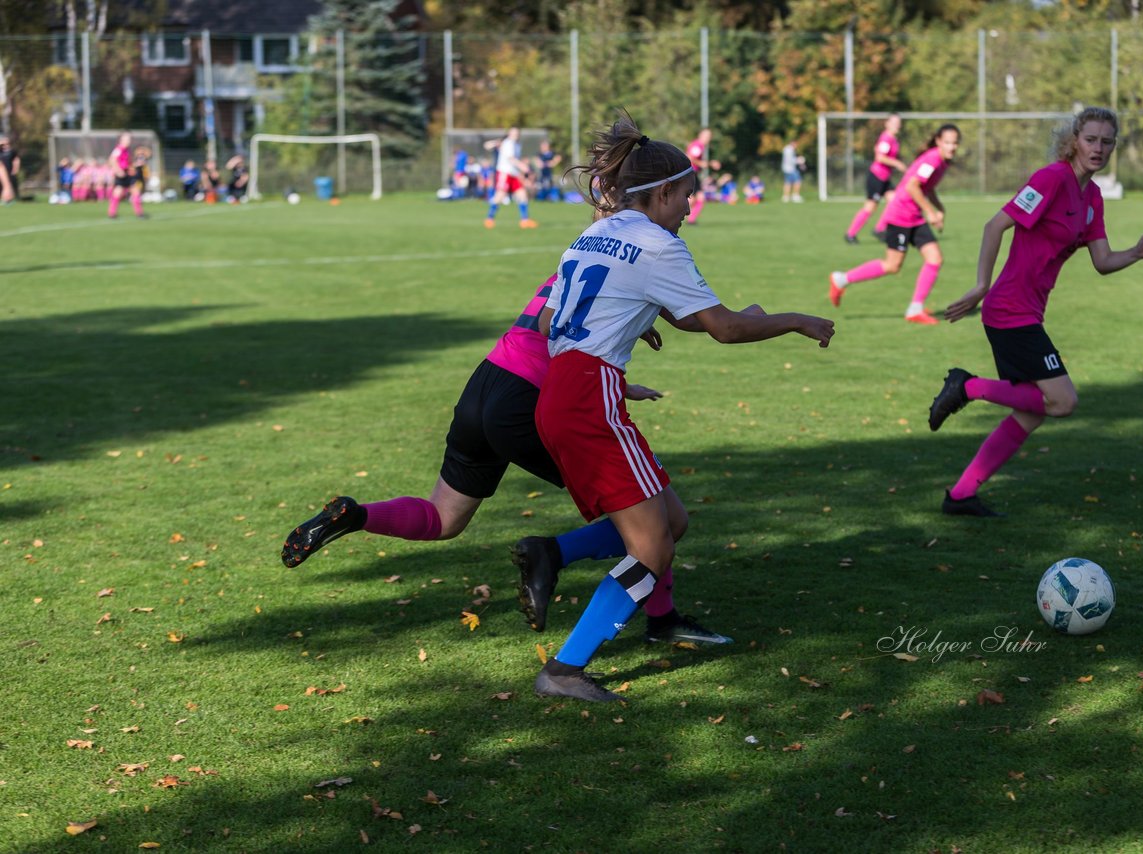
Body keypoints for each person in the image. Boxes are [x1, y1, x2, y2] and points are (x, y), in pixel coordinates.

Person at [531, 112, 835, 702]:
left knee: (672, 521)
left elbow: (553, 317)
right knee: (652, 545)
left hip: (565, 391)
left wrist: (632, 321)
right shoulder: (659, 244)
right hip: (589, 397)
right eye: (687, 197)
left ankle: (552, 553)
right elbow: (721, 329)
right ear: (663, 192)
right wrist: (795, 319)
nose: (690, 209)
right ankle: (564, 670)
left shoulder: (593, 232)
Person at [282, 271, 731, 646]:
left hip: (488, 381)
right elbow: (555, 333)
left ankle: (355, 516)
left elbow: (559, 327)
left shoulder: (580, 257)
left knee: (444, 517)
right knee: (652, 516)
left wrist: (621, 381)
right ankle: (607, 587)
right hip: (531, 400)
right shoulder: (627, 258)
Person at [927, 106, 1143, 517]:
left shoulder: (1092, 197)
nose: (1099, 148)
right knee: (1062, 401)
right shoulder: (1051, 178)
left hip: (1028, 312)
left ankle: (961, 495)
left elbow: (1102, 261)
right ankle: (967, 387)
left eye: (1107, 141)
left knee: (1031, 413)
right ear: (1074, 140)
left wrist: (1136, 254)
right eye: (1091, 139)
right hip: (1009, 309)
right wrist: (981, 286)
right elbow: (995, 225)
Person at [828, 124, 961, 324]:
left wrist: (940, 209)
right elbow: (912, 186)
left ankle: (915, 309)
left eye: (955, 142)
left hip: (915, 216)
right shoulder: (933, 158)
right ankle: (841, 279)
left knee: (934, 258)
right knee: (892, 265)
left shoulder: (942, 161)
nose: (952, 147)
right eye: (948, 142)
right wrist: (930, 211)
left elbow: (928, 188)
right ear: (939, 141)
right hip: (901, 215)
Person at [845, 114, 906, 243]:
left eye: (898, 122)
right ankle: (850, 234)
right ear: (887, 123)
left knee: (895, 201)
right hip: (877, 177)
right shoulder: (886, 138)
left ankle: (879, 229)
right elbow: (880, 157)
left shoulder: (894, 139)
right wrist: (897, 163)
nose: (897, 125)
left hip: (885, 178)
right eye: (894, 122)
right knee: (870, 207)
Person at [483, 127, 536, 229]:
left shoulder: (517, 144)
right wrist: (524, 167)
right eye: (513, 133)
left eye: (517, 133)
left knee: (522, 194)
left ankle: (525, 220)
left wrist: (520, 170)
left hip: (514, 174)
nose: (515, 135)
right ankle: (489, 219)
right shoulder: (508, 143)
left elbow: (514, 159)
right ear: (509, 134)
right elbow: (511, 159)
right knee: (500, 195)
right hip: (505, 173)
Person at [684, 127, 719, 225]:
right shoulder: (698, 145)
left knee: (700, 198)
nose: (709, 138)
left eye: (709, 136)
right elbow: (690, 157)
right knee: (694, 199)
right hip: (691, 173)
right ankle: (671, 213)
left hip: (693, 173)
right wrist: (703, 164)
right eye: (707, 136)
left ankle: (691, 220)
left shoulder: (699, 146)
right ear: (701, 135)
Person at [107, 131, 144, 219]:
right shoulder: (119, 149)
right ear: (121, 140)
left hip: (127, 173)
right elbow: (112, 160)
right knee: (118, 192)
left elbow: (127, 163)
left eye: (130, 138)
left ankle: (139, 213)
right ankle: (112, 213)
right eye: (127, 138)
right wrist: (118, 170)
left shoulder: (127, 150)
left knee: (135, 191)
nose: (129, 140)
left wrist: (136, 164)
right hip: (121, 173)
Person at [0, 135, 20, 204]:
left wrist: (15, 169)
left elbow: (16, 160)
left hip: (9, 172)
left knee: (8, 185)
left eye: (7, 143)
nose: (5, 145)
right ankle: (5, 199)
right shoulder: (1, 151)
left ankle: (10, 199)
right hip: (2, 172)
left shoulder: (12, 151)